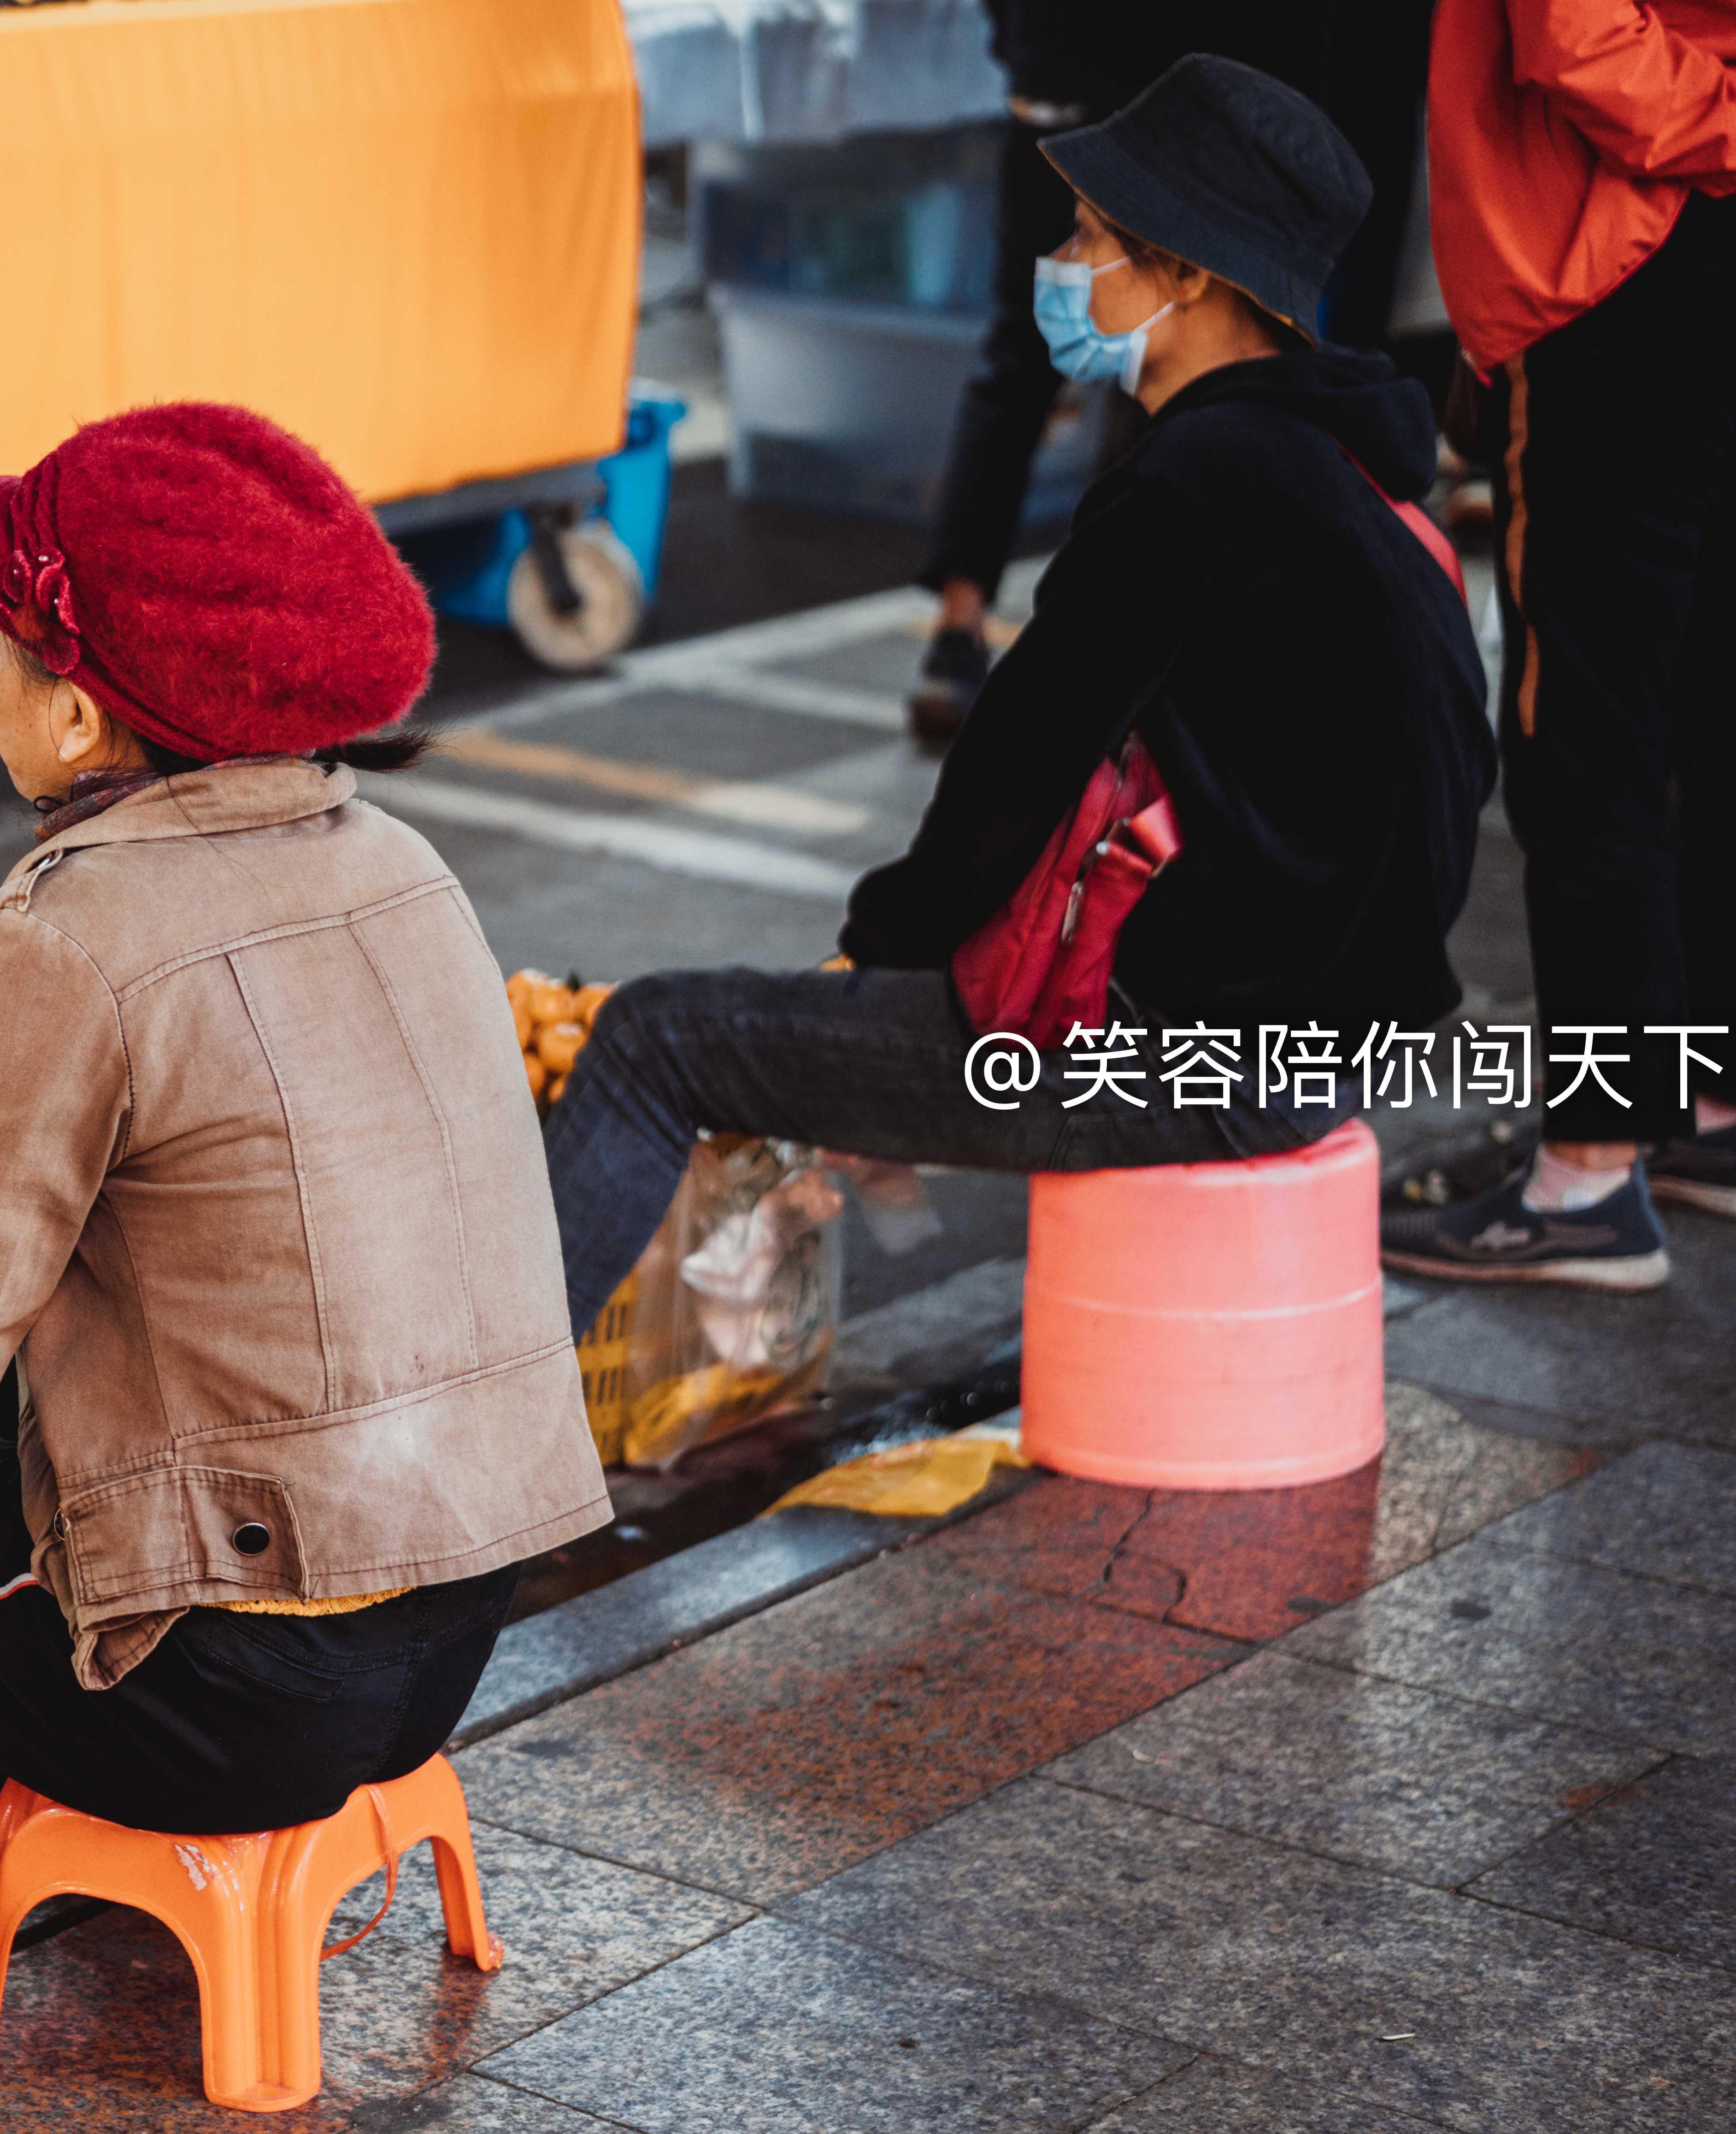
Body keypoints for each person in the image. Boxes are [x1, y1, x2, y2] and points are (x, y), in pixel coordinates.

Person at [0, 404, 611, 2069]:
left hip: (235, 1701)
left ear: (77, 712)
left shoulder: (70, 936)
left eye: (2, 640)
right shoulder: (399, 858)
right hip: (444, 1634)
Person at [554, 57, 1493, 1335]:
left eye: (1091, 237)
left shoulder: (1196, 483)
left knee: (654, 1036)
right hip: (1325, 1058)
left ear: (1185, 275)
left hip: (1186, 1061)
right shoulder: (1361, 485)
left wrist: (874, 955)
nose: (1060, 261)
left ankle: (470, 1446)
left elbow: (1013, 765)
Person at [1378, 0, 1736, 1291]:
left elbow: (1574, 38)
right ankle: (1700, 1104)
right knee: (1709, 696)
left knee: (1581, 725)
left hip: (1618, 251)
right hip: (1685, 238)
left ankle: (1588, 1166)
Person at [910, 6, 1338, 746]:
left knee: (1045, 351)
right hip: (1151, 96)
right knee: (1151, 363)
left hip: (1086, 87)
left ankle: (977, 621)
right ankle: (1109, 635)